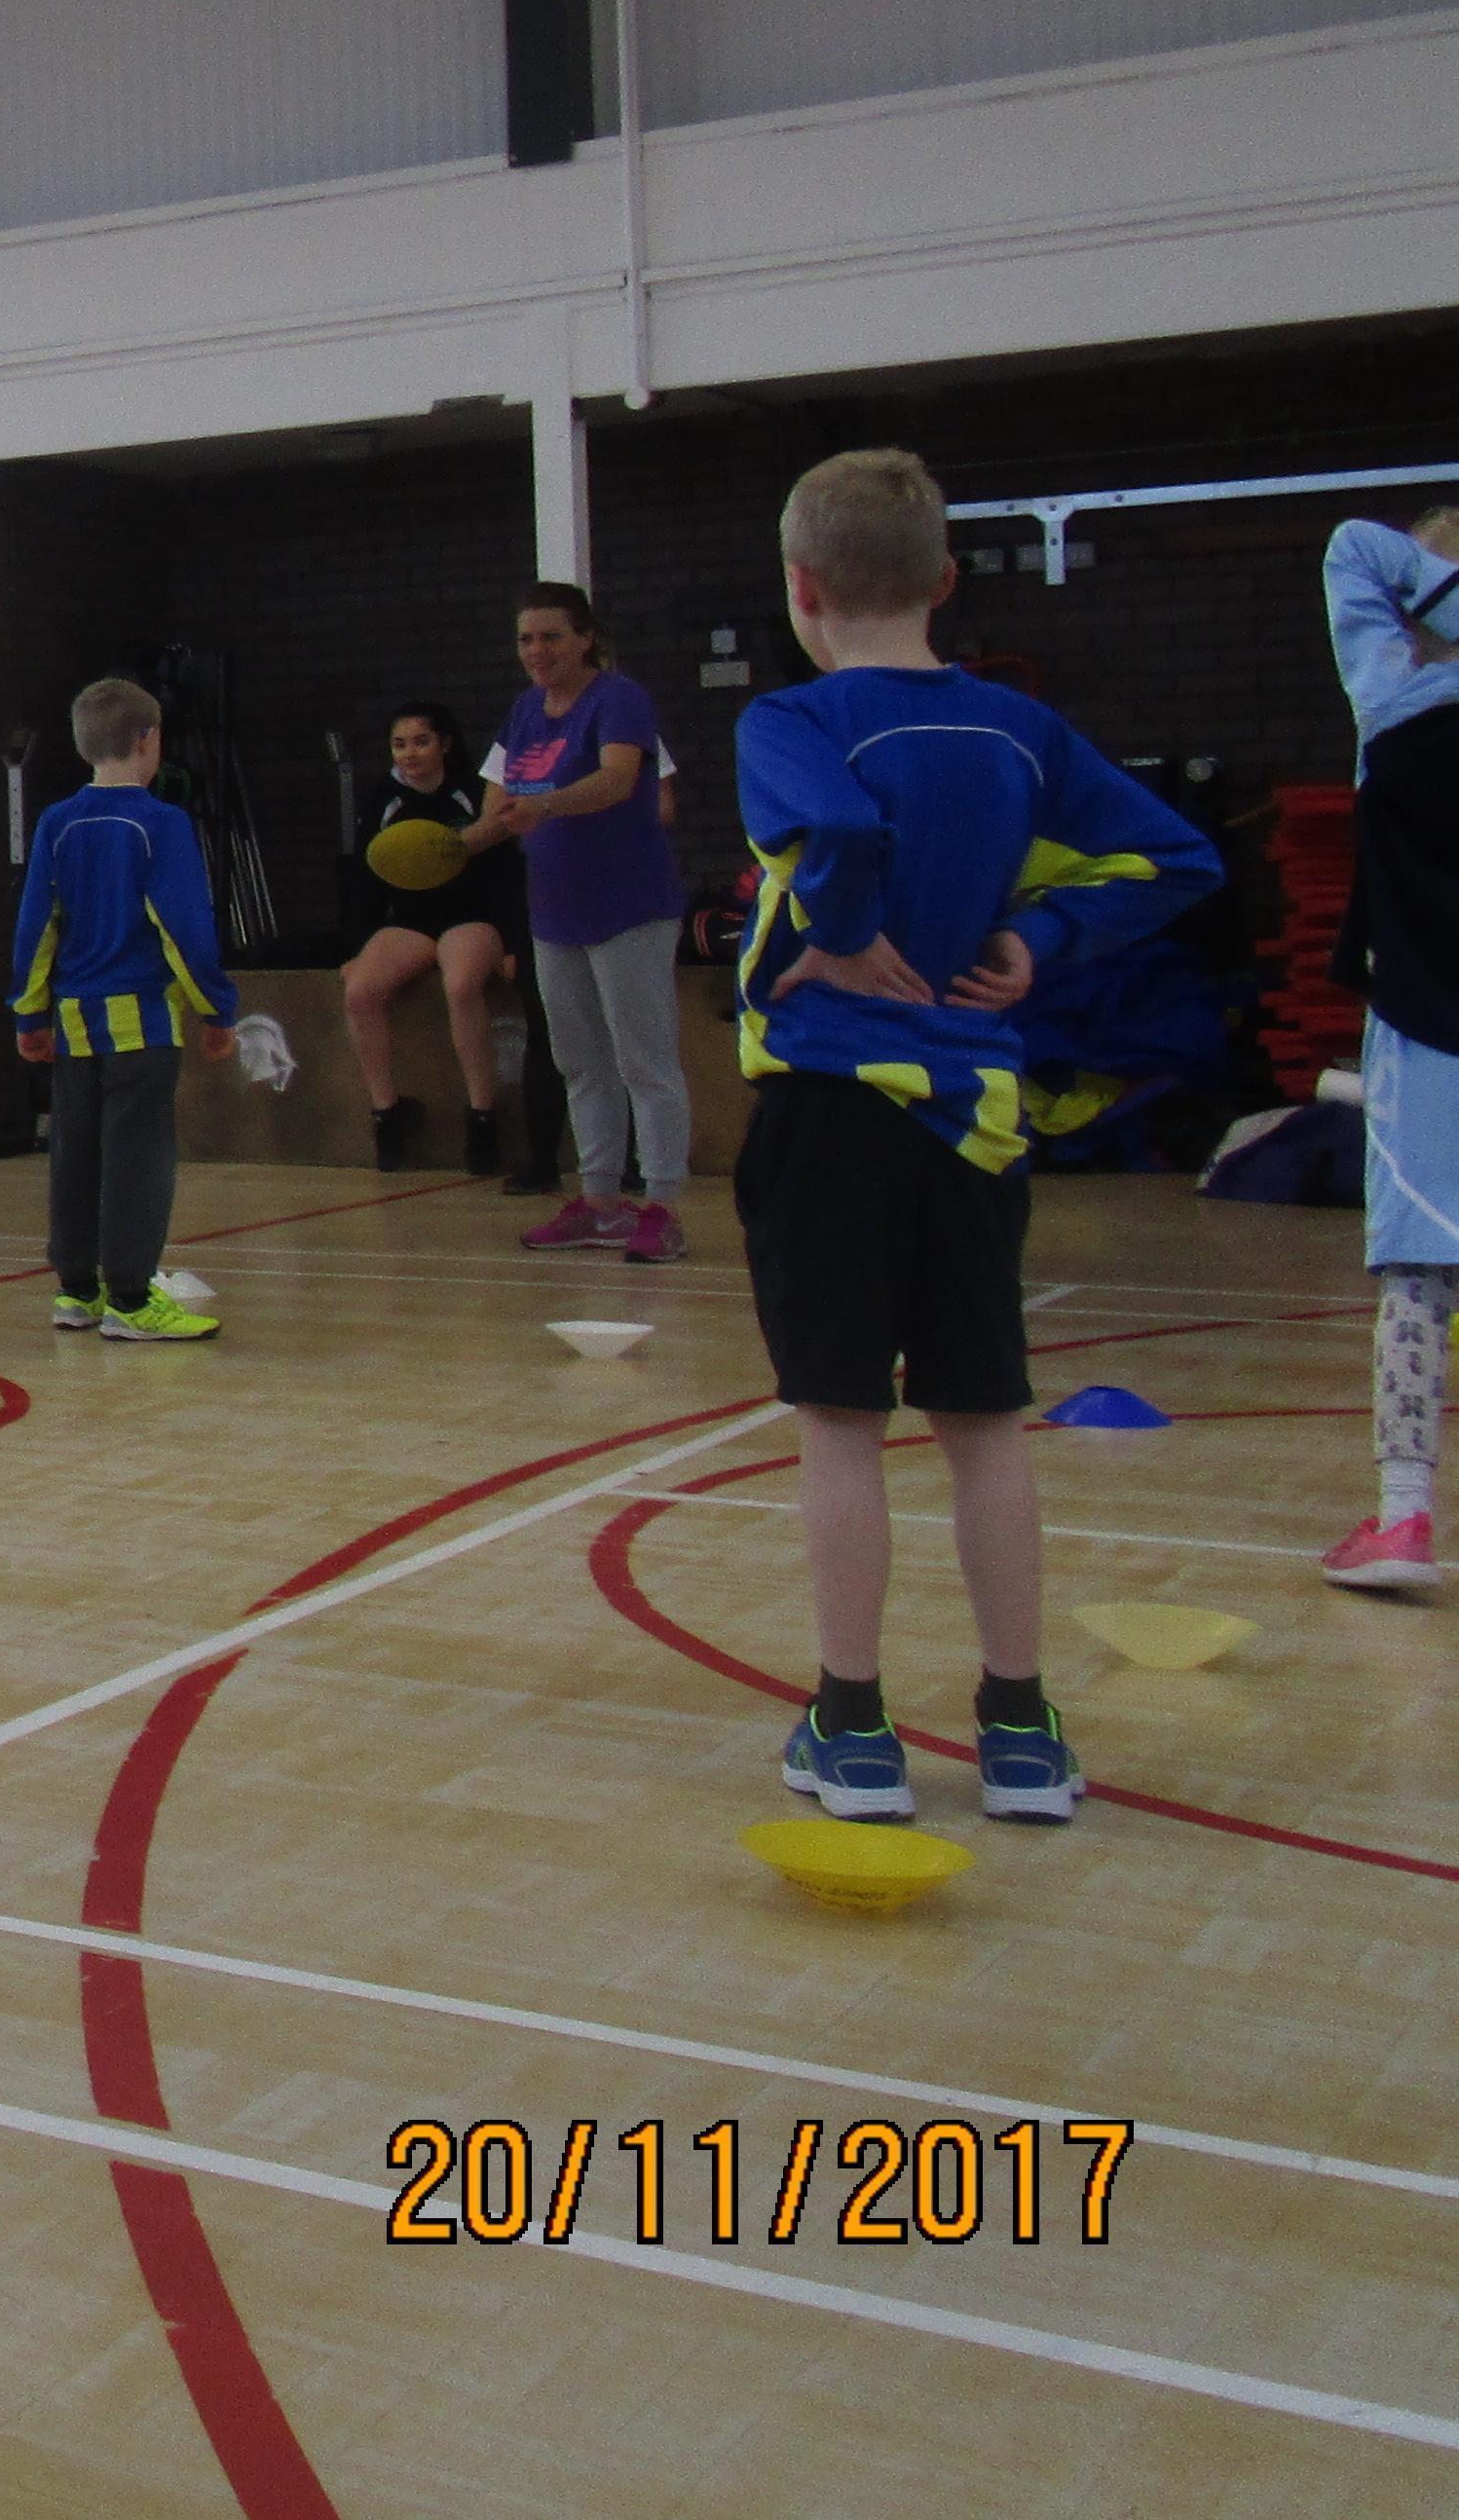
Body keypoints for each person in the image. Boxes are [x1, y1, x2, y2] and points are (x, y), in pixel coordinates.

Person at [735, 448, 1216, 1828]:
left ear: (800, 586)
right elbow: (1178, 857)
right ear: (944, 578)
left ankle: (854, 1727)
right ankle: (1018, 1727)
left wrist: (839, 932)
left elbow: (830, 824)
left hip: (831, 1111)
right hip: (976, 1126)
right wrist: (1041, 936)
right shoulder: (1021, 732)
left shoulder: (792, 718)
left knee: (840, 1422)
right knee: (985, 1423)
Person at [8, 676, 240, 1345]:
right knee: (139, 1156)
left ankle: (77, 1289)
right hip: (142, 1021)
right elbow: (184, 926)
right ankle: (132, 1298)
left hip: (74, 1021)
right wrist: (216, 1009)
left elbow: (36, 926)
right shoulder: (162, 823)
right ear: (148, 740)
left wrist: (29, 1014)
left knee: (74, 1154)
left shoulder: (56, 822)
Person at [469, 582, 690, 1261]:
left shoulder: (619, 698)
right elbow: (498, 811)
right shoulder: (523, 711)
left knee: (644, 1059)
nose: (537, 651)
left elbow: (618, 781)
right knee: (580, 1062)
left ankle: (662, 1207)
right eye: (526, 639)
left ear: (586, 638)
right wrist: (446, 849)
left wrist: (547, 806)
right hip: (554, 911)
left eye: (551, 637)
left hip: (629, 906)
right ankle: (600, 1205)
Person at [1324, 505, 1459, 1596]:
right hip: (1418, 1025)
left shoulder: (1392, 706)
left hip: (1424, 1034)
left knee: (1417, 1274)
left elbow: (1351, 548)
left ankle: (1405, 1517)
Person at [336, 703, 518, 1179]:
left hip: (470, 916)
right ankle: (387, 1114)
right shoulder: (384, 800)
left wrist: (513, 942)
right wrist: (357, 949)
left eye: (421, 742)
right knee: (360, 992)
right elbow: (365, 879)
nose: (410, 753)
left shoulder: (473, 793)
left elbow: (505, 869)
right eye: (400, 745)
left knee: (460, 984)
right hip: (412, 920)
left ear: (445, 744)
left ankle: (482, 1116)